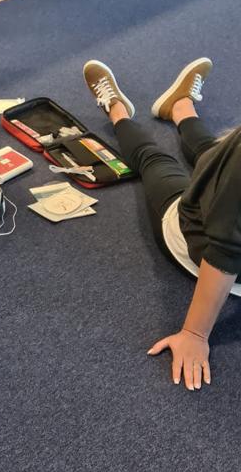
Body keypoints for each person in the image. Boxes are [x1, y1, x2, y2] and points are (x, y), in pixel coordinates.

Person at [83, 57, 240, 392]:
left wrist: (195, 334)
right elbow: (226, 246)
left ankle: (148, 107)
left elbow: (227, 247)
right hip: (208, 226)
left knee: (186, 157)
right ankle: (152, 108)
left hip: (210, 232)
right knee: (189, 155)